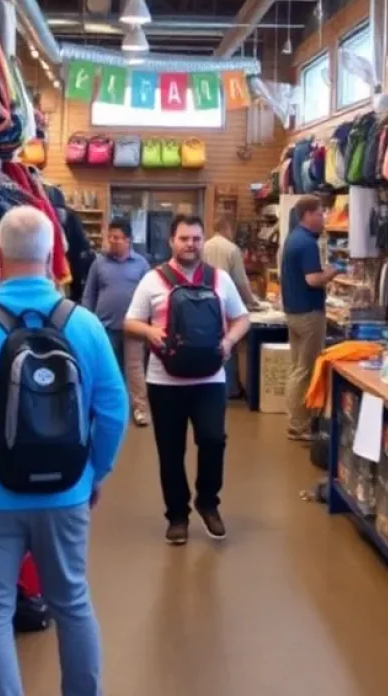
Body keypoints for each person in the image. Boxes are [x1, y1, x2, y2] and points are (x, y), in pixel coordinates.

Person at [0, 207, 128, 696]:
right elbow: (113, 408)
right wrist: (95, 472)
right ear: (50, 256)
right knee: (72, 602)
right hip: (66, 493)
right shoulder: (82, 324)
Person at [124, 214, 250, 545]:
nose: (190, 244)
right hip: (164, 381)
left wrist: (228, 341)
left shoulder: (220, 279)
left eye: (196, 238)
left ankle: (208, 502)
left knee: (212, 441)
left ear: (203, 240)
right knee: (170, 451)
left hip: (210, 380)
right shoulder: (152, 280)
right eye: (184, 238)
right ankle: (177, 516)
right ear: (172, 241)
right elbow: (130, 322)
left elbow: (242, 318)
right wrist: (152, 330)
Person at [82, 217, 151, 426]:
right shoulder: (98, 263)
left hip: (134, 327)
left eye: (117, 238)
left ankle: (140, 408)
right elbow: (89, 295)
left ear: (128, 240)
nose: (112, 241)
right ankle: (106, 407)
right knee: (107, 369)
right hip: (104, 327)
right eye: (110, 237)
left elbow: (150, 295)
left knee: (134, 368)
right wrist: (88, 321)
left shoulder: (141, 264)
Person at [280, 196, 336, 441]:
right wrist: (332, 272)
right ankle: (299, 425)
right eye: (320, 213)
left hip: (294, 312)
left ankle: (296, 418)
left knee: (297, 368)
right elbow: (312, 279)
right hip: (309, 315)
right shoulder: (307, 244)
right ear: (308, 215)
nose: (323, 217)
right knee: (305, 369)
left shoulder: (293, 238)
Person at [203, 216, 260, 398]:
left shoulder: (203, 246)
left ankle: (208, 381)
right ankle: (230, 389)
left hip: (202, 301)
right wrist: (252, 302)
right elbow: (241, 281)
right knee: (228, 342)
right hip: (225, 303)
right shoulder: (232, 249)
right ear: (228, 229)